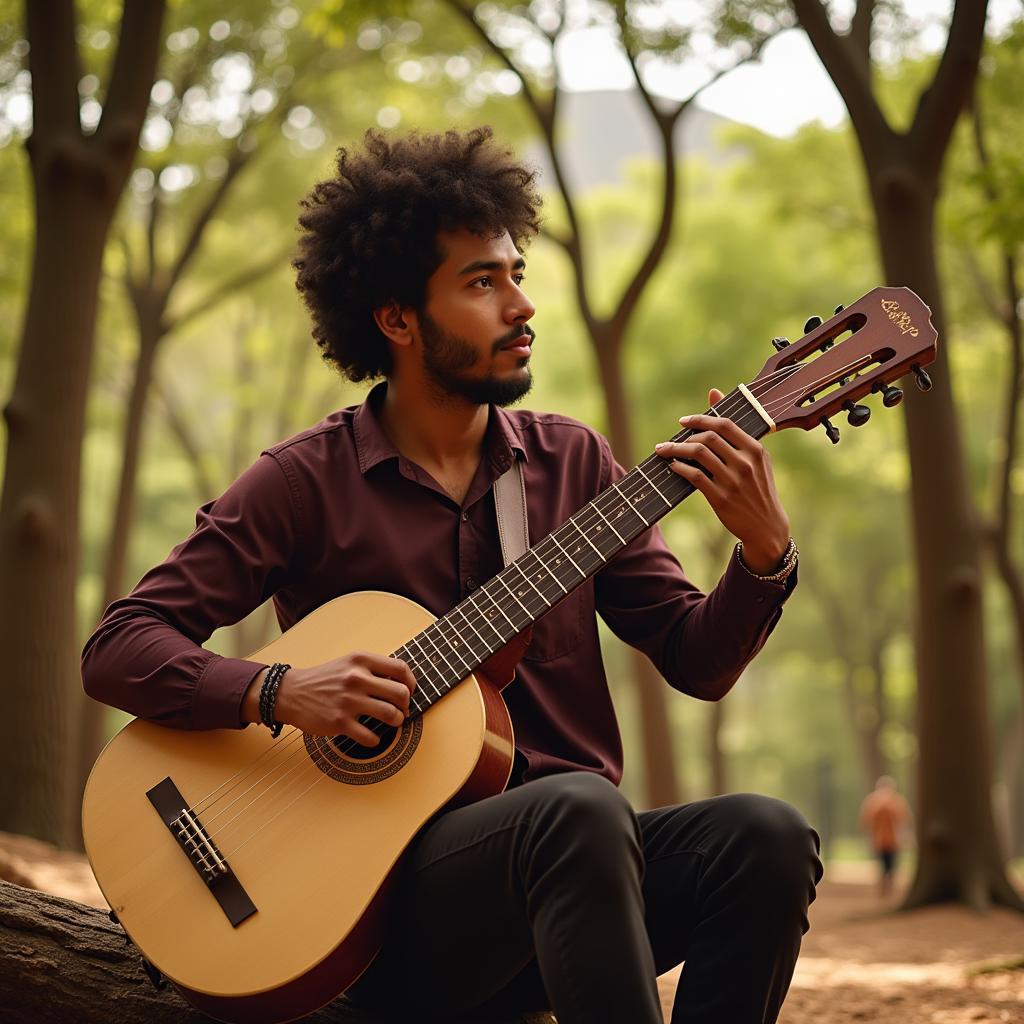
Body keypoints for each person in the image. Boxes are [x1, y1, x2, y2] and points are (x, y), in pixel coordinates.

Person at [82, 126, 821, 1024]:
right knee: (578, 811)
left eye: (517, 274)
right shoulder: (304, 482)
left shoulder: (573, 466)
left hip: (583, 905)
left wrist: (763, 554)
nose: (521, 305)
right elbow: (119, 647)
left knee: (767, 838)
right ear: (397, 318)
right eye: (482, 282)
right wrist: (281, 690)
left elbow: (698, 664)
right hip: (374, 920)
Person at [859, 775, 912, 898]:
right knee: (891, 866)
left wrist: (868, 837)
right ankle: (888, 887)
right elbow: (904, 821)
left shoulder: (872, 801)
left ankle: (884, 887)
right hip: (892, 841)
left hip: (879, 840)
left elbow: (865, 821)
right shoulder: (897, 802)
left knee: (883, 866)